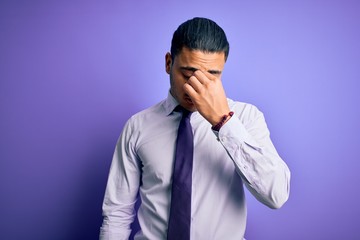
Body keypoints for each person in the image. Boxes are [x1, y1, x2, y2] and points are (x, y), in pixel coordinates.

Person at [99, 17, 290, 240]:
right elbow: (116, 213)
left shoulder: (247, 118)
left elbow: (276, 195)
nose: (197, 86)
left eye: (212, 75)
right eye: (188, 74)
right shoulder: (138, 126)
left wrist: (223, 122)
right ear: (169, 63)